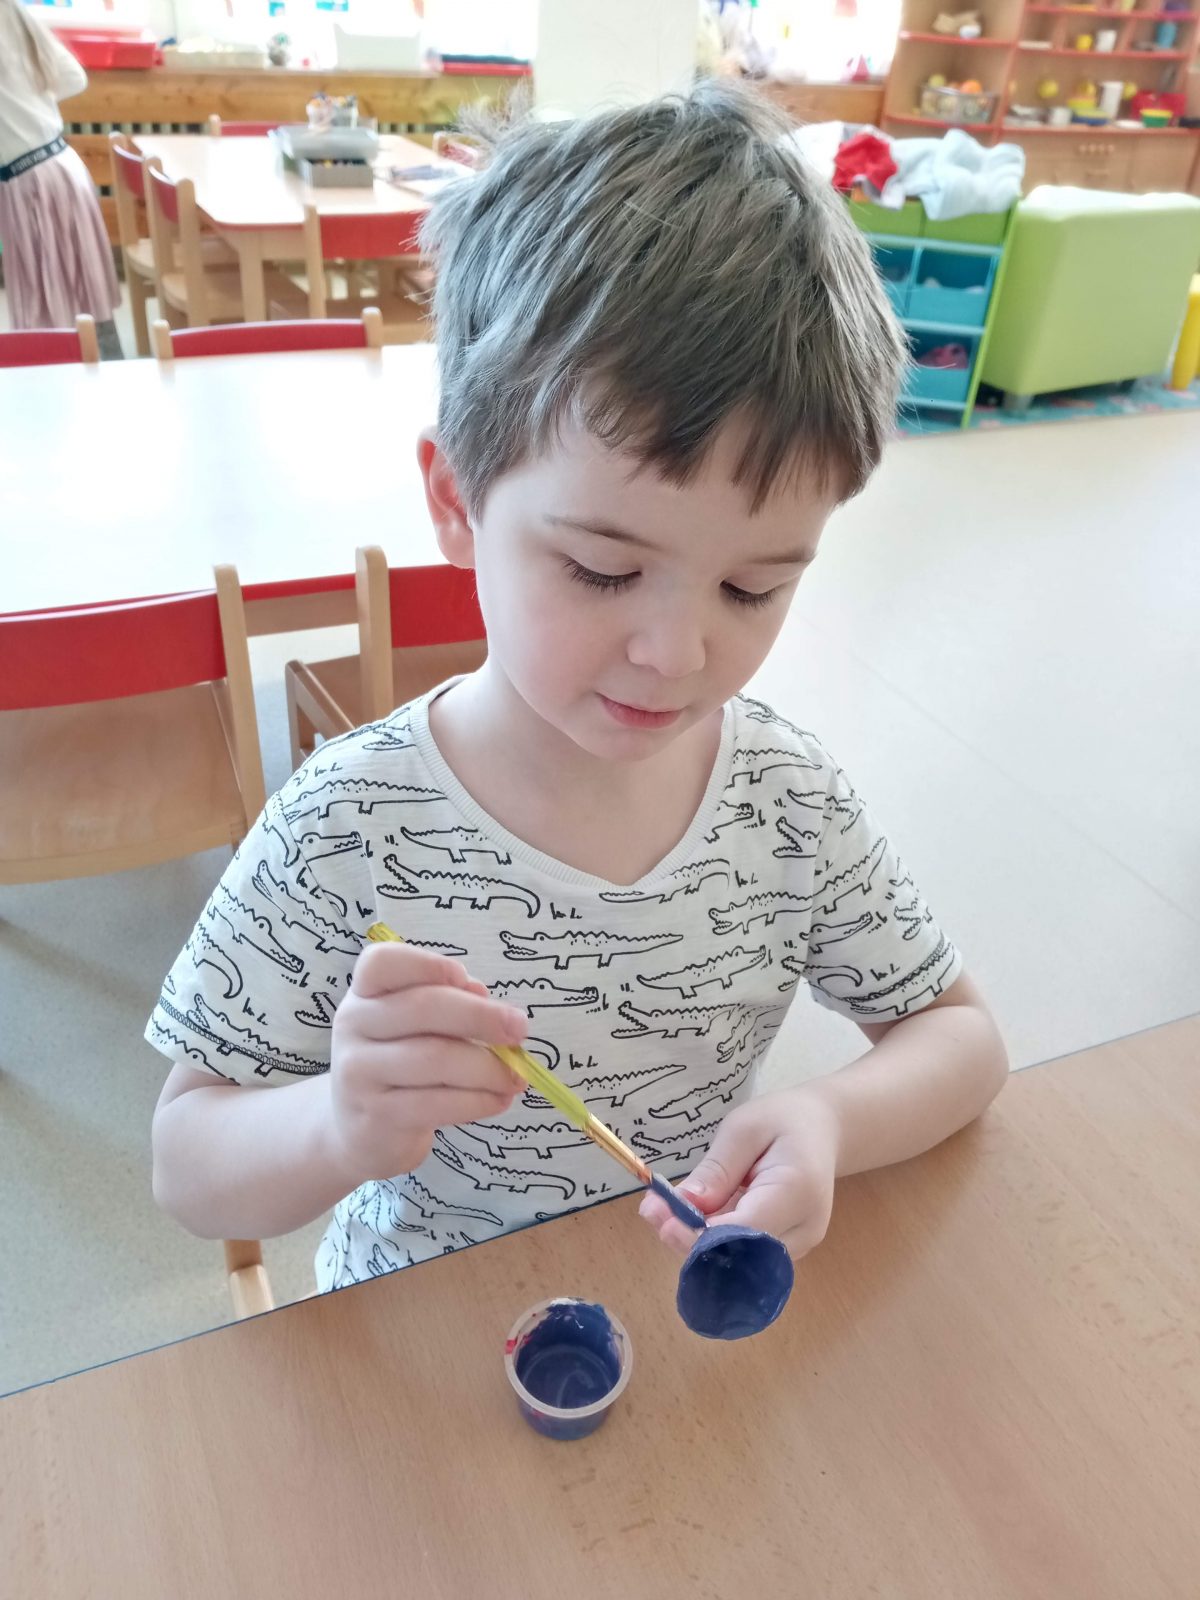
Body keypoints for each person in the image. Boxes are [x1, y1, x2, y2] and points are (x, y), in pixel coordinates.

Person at [148, 81, 1008, 1288]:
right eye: (604, 570)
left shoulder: (789, 805)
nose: (677, 654)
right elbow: (187, 1166)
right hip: (423, 1325)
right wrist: (340, 1121)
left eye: (752, 588)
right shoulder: (346, 825)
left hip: (669, 1321)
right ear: (457, 502)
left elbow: (961, 1037)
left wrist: (829, 1119)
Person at [0, 0, 120, 346]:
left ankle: (77, 369)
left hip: (33, 180)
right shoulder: (13, 12)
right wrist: (31, 100)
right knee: (81, 294)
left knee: (53, 303)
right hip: (54, 166)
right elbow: (72, 78)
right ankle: (101, 364)